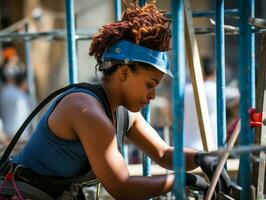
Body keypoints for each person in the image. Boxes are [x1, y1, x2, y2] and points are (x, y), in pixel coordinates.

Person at [1, 2, 231, 199]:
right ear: (124, 74)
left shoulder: (122, 112)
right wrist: (180, 180)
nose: (152, 95)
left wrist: (202, 159)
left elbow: (163, 153)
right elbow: (121, 187)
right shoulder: (87, 111)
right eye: (149, 85)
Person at [184, 57, 218, 150]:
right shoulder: (216, 90)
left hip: (186, 146)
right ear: (214, 72)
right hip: (210, 147)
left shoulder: (186, 90)